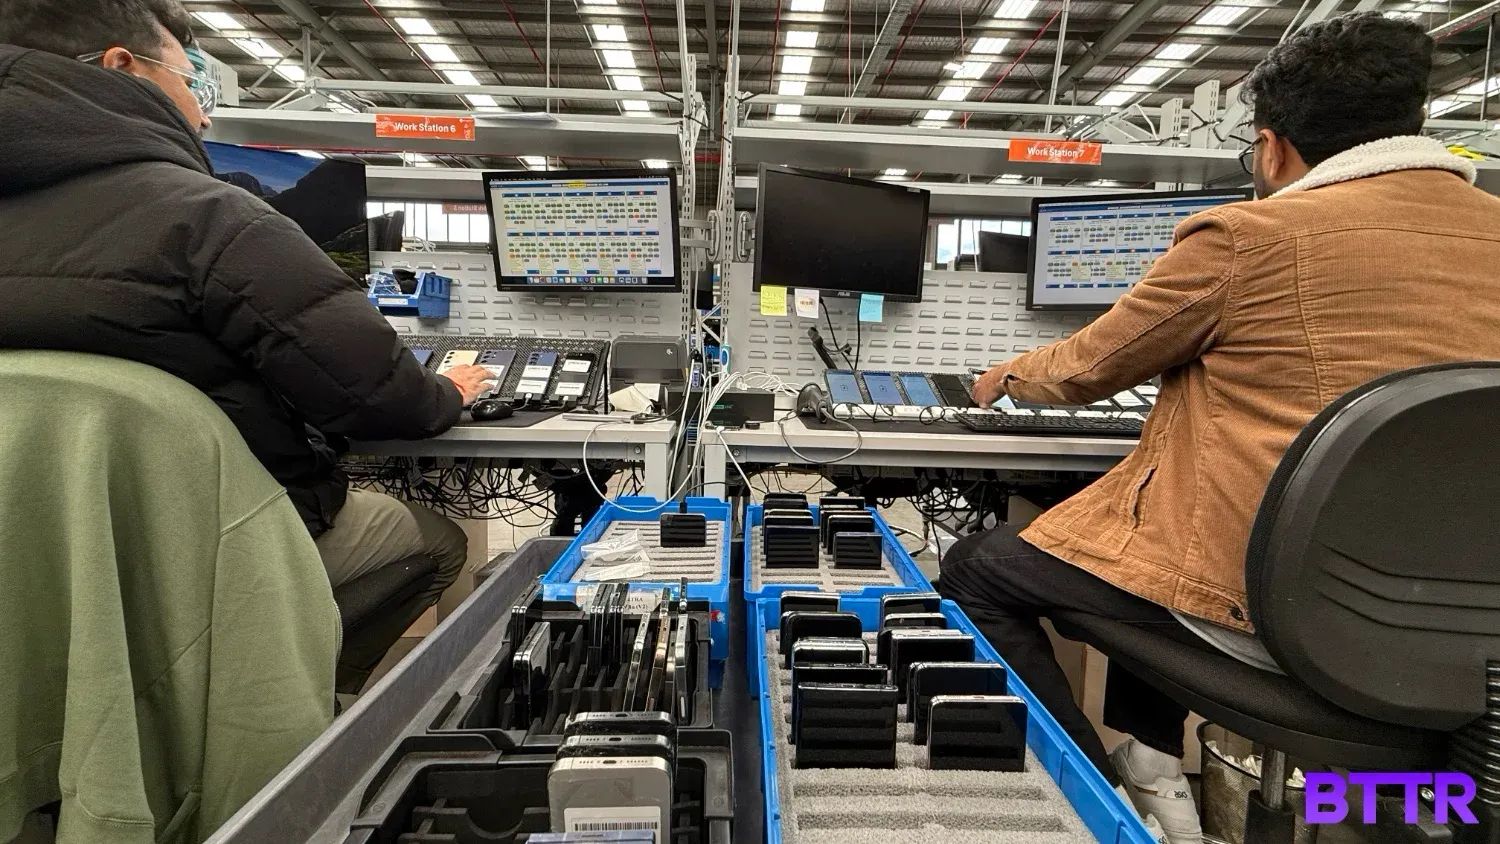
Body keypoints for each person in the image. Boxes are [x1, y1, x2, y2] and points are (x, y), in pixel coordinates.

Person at [943, 12, 1500, 844]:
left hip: (1275, 613)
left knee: (986, 568)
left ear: (1272, 150)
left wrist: (1004, 377)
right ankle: (1159, 764)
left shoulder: (1250, 236)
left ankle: (1103, 803)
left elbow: (1091, 366)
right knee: (1138, 537)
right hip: (1468, 638)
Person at [0, 0, 499, 692]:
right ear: (122, 68)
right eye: (193, 84)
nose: (203, 116)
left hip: (31, 569)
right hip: (206, 550)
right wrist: (452, 388)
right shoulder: (207, 220)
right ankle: (297, 714)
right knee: (437, 541)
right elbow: (381, 399)